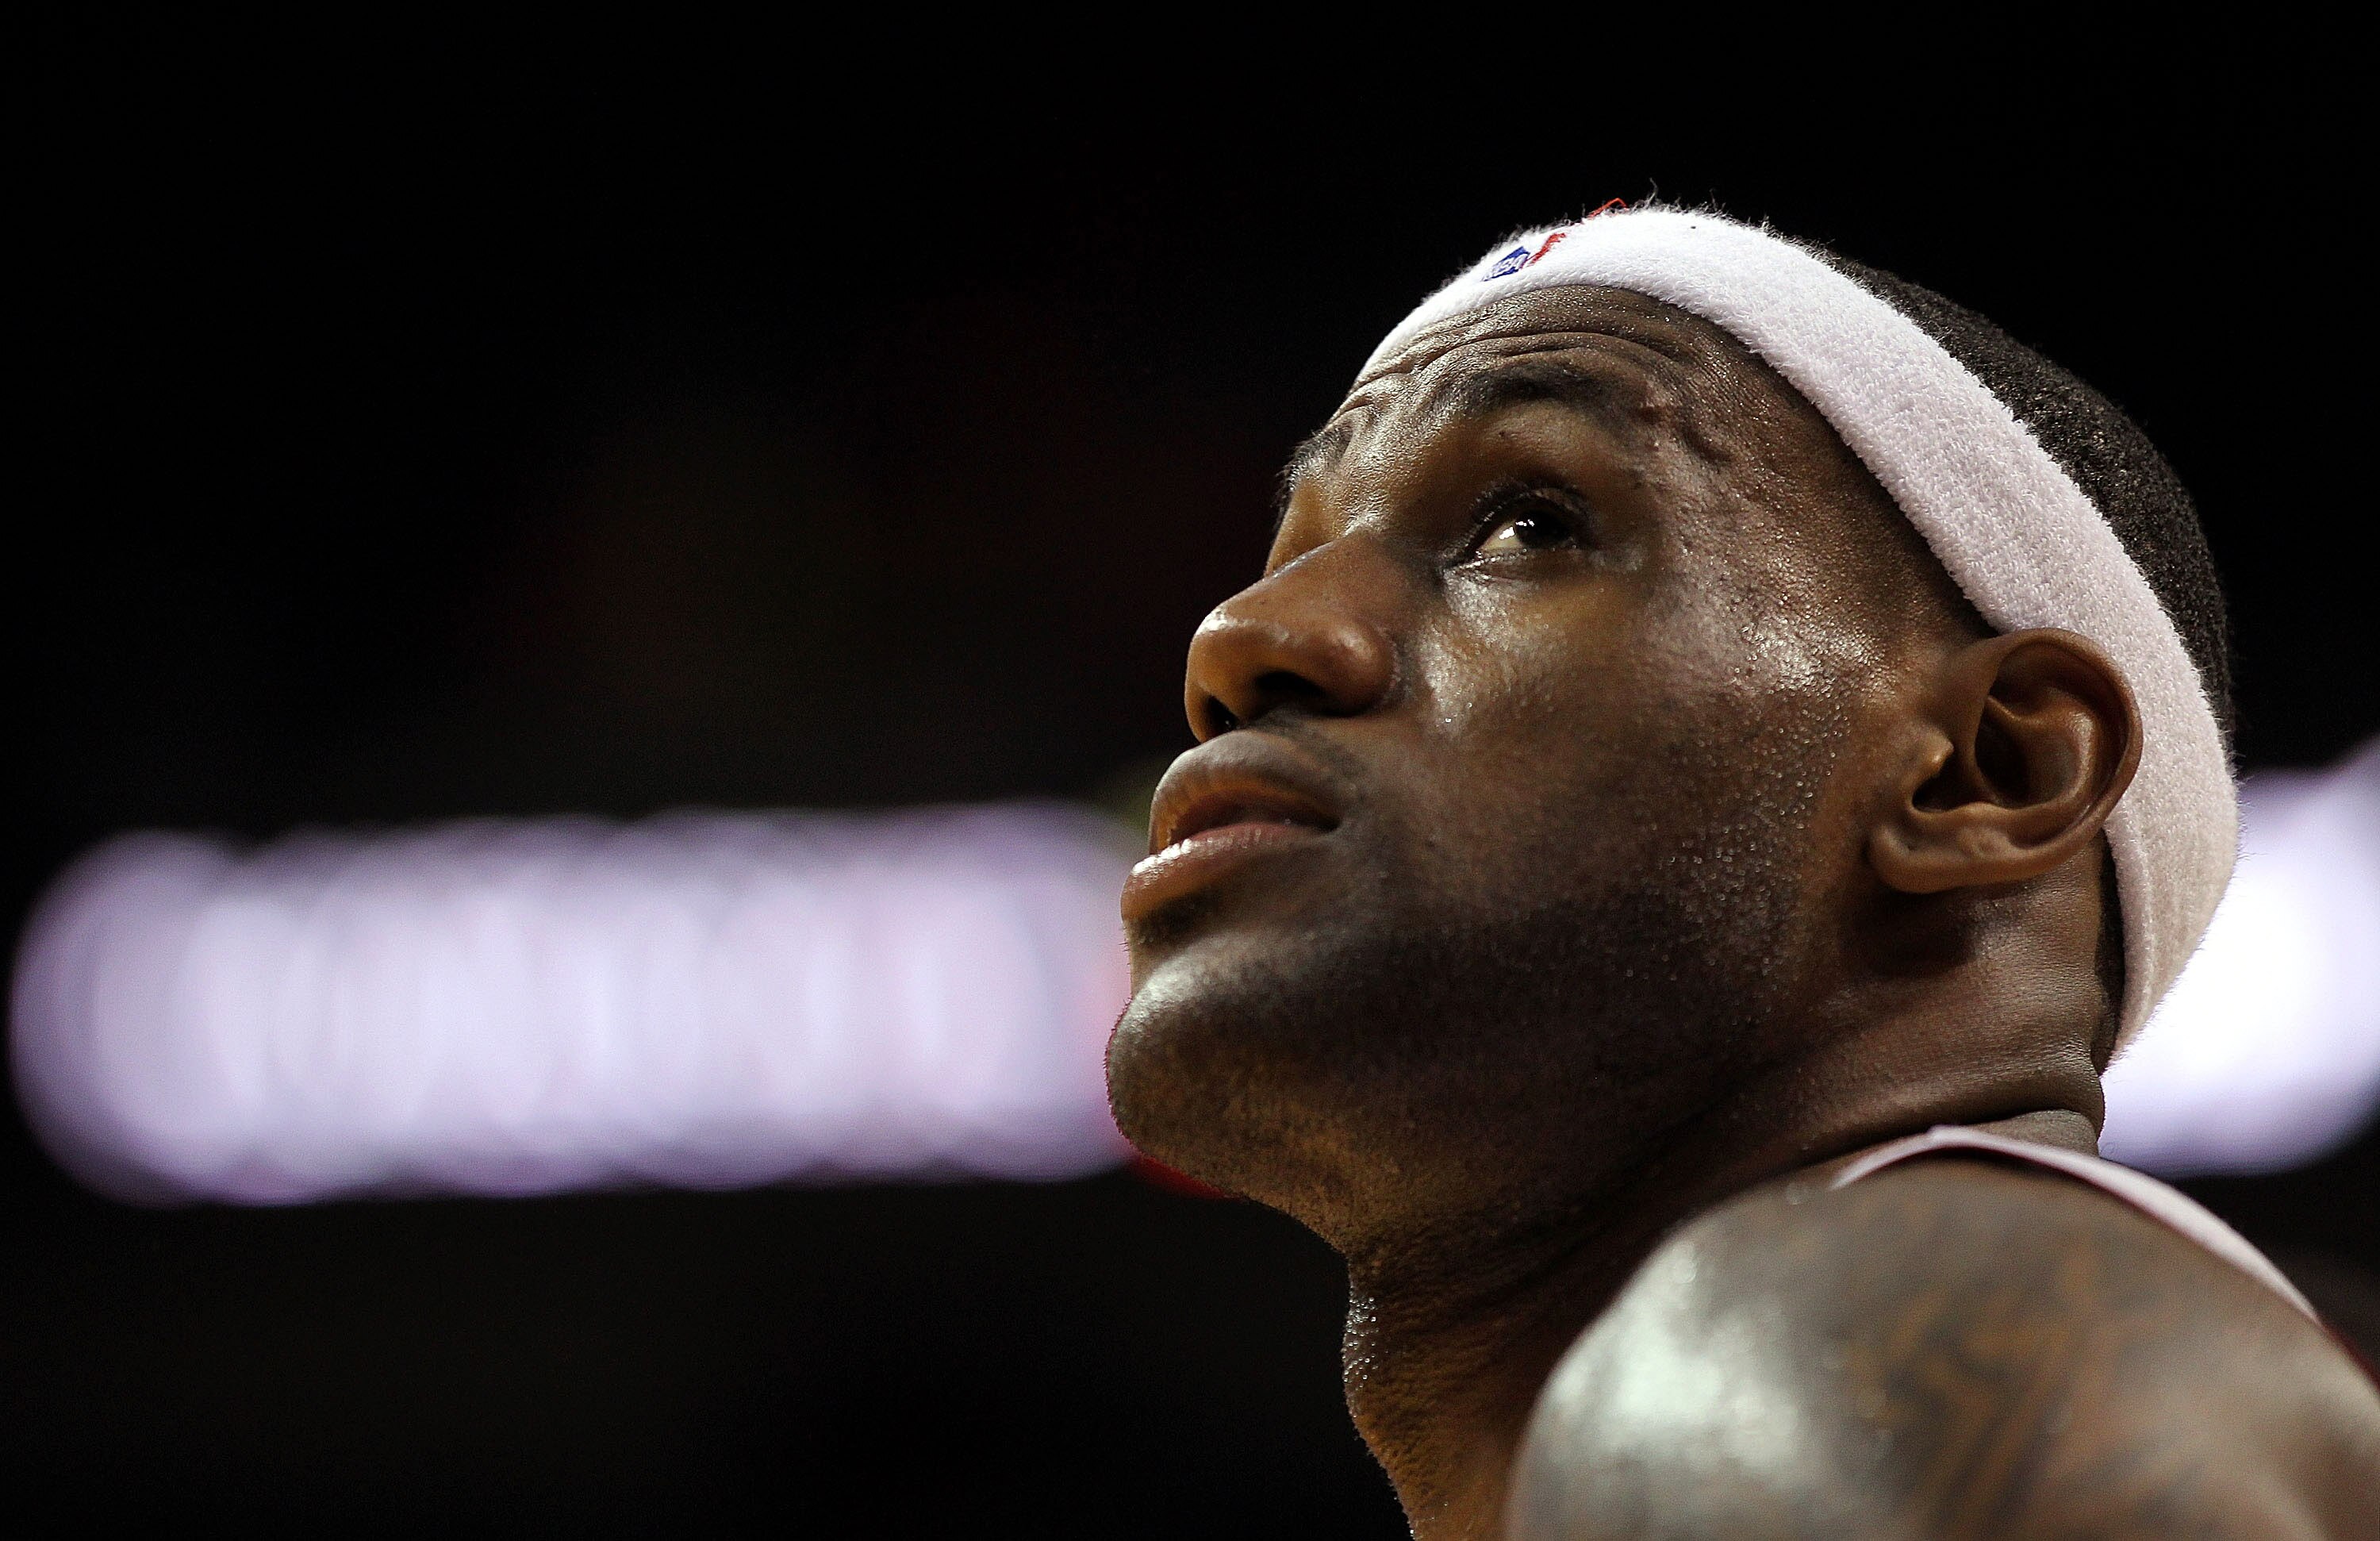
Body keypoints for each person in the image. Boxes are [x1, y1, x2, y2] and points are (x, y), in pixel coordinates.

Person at [1105, 206, 2380, 1539]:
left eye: (1528, 525)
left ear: (1987, 771)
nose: (1245, 634)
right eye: (1290, 552)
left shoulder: (1849, 1337)